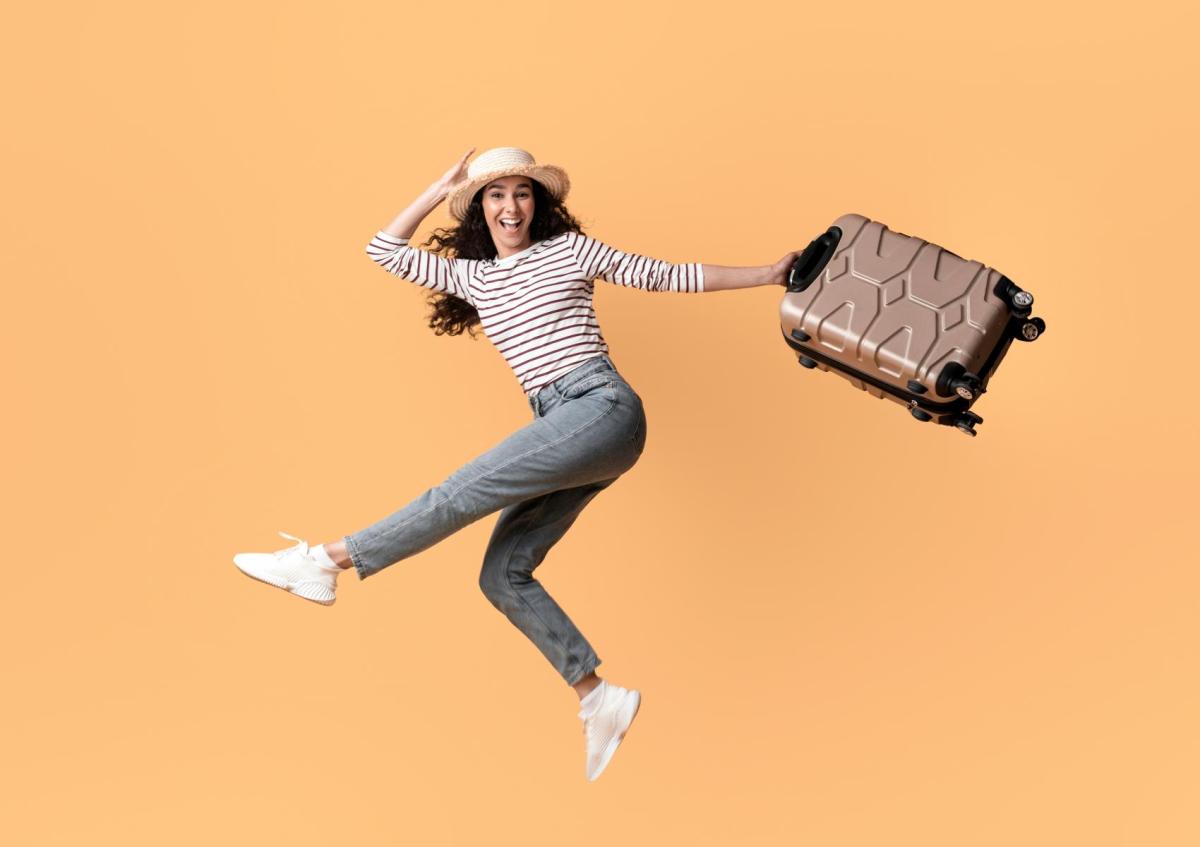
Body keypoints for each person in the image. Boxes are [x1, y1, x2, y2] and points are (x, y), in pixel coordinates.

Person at [233, 146, 803, 781]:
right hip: (563, 424)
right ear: (481, 207)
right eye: (496, 195)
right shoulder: (473, 278)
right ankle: (597, 697)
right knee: (503, 576)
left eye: (522, 193)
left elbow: (671, 275)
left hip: (599, 406)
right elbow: (384, 249)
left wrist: (769, 273)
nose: (511, 206)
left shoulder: (570, 252)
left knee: (457, 493)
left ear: (540, 203)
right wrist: (438, 187)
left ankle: (326, 562)